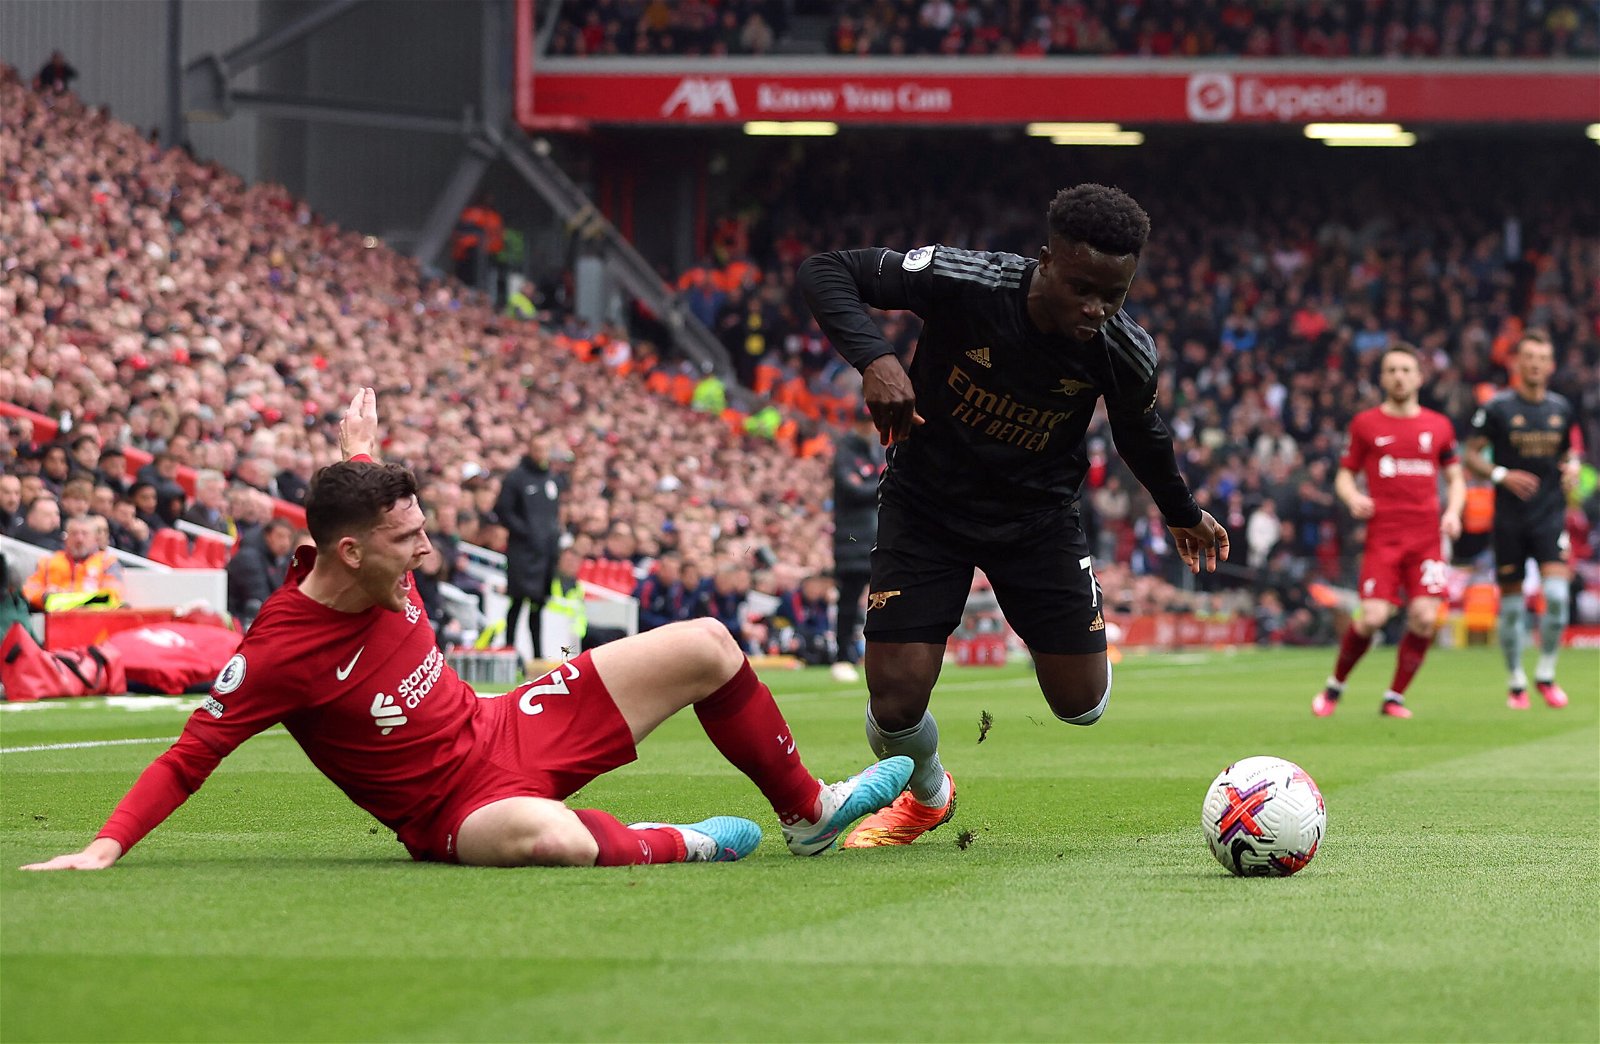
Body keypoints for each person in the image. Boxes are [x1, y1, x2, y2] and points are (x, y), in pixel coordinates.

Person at [21, 389, 913, 873]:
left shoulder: (370, 543)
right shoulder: (279, 650)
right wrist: (105, 846)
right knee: (548, 840)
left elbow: (362, 498)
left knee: (711, 644)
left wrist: (360, 449)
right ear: (347, 552)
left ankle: (810, 812)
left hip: (502, 722)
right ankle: (687, 840)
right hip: (455, 809)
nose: (426, 551)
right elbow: (189, 755)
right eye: (408, 540)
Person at [798, 183, 1228, 847]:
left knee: (1080, 707)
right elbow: (826, 270)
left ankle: (1074, 610)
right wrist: (878, 359)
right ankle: (931, 795)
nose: (1096, 308)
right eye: (1082, 286)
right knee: (894, 702)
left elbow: (1138, 432)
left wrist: (1183, 511)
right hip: (927, 506)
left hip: (1037, 521)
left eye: (1114, 295)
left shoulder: (1124, 349)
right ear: (1046, 260)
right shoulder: (966, 281)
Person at [1312, 345, 1466, 719]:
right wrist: (1351, 497)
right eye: (1392, 370)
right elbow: (1345, 473)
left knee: (1425, 617)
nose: (1399, 376)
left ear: (1419, 376)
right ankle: (1335, 685)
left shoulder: (1438, 425)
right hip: (1384, 536)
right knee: (1373, 617)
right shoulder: (1366, 424)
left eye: (1406, 369)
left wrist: (1455, 512)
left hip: (1427, 537)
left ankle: (1394, 696)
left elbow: (1456, 476)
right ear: (1382, 378)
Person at [1463, 330, 1583, 709]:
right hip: (1510, 519)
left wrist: (1572, 467)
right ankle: (1516, 680)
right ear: (1517, 363)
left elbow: (1567, 453)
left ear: (1550, 365)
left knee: (1557, 598)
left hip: (1549, 516)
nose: (1533, 364)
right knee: (1513, 607)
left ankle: (1546, 674)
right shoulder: (1498, 408)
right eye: (1527, 357)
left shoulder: (1561, 408)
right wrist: (1501, 475)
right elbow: (1471, 455)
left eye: (1541, 358)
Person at [494, 431, 565, 667]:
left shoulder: (552, 479)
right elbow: (503, 511)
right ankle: (509, 652)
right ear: (529, 449)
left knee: (538, 606)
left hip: (546, 555)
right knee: (517, 602)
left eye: (545, 450)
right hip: (522, 553)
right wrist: (527, 533)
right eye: (537, 449)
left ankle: (537, 657)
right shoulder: (516, 478)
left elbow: (553, 515)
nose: (541, 454)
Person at [830, 404, 882, 683]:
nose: (868, 427)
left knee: (880, 599)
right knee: (849, 600)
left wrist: (874, 483)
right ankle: (842, 654)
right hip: (851, 538)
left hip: (875, 536)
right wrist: (881, 483)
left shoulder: (876, 448)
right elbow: (853, 488)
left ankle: (873, 653)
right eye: (863, 423)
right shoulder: (846, 450)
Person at [22, 514, 125, 611]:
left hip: (94, 621)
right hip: (55, 620)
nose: (79, 539)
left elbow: (113, 594)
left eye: (85, 534)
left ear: (95, 538)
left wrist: (72, 597)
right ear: (66, 538)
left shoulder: (107, 562)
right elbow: (29, 590)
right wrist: (45, 595)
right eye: (74, 533)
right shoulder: (48, 561)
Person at [226, 517, 294, 627]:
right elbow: (261, 601)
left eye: (289, 538)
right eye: (280, 536)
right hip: (241, 619)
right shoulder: (248, 558)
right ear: (267, 536)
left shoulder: (282, 560)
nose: (285, 543)